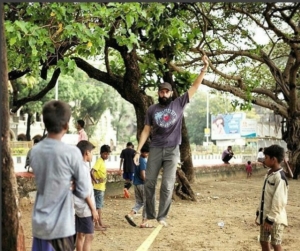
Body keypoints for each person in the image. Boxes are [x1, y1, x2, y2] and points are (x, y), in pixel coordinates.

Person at [133, 55, 209, 227]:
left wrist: (204, 69)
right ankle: (148, 216)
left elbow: (195, 86)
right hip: (156, 149)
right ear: (158, 93)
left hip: (172, 150)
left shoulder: (178, 103)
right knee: (150, 183)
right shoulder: (152, 109)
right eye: (161, 91)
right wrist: (138, 151)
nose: (164, 94)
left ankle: (162, 217)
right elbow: (146, 130)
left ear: (171, 93)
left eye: (166, 91)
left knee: (167, 185)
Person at [29, 100, 91, 251]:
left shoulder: (34, 152)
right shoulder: (71, 153)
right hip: (61, 226)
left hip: (39, 224)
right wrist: (71, 186)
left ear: (45, 123)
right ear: (66, 126)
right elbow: (84, 190)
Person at [255, 144, 288, 251]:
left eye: (266, 157)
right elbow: (265, 196)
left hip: (275, 219)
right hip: (265, 216)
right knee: (263, 241)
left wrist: (270, 219)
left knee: (275, 243)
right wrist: (259, 213)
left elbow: (279, 201)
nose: (264, 160)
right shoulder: (269, 174)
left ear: (273, 159)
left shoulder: (280, 177)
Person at [74, 140, 99, 251]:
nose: (92, 154)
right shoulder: (83, 169)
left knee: (81, 234)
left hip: (78, 205)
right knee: (89, 235)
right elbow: (85, 192)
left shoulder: (77, 166)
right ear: (87, 153)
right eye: (92, 152)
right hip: (85, 207)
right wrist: (93, 209)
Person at [125, 145, 150, 228]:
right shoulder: (142, 161)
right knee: (147, 202)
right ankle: (144, 221)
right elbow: (142, 174)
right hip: (142, 184)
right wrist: (147, 182)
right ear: (145, 152)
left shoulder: (137, 159)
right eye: (147, 153)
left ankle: (130, 214)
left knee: (139, 202)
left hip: (136, 184)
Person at [90, 144, 111, 231]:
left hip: (101, 187)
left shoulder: (102, 161)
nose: (107, 156)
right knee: (98, 207)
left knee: (99, 206)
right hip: (98, 188)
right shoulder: (99, 161)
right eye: (105, 154)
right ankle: (96, 224)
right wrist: (96, 180)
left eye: (108, 154)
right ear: (101, 153)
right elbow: (92, 171)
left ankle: (100, 223)